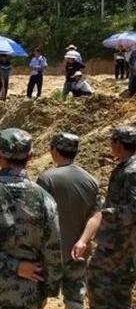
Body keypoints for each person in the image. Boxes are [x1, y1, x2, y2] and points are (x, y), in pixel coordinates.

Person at [0, 128, 63, 308]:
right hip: (24, 295)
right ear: (30, 156)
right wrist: (48, 289)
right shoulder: (45, 199)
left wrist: (12, 265)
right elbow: (53, 251)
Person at [71, 126, 136, 308]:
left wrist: (105, 215)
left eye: (112, 141)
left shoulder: (131, 171)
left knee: (103, 290)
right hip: (120, 244)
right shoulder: (126, 167)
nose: (110, 145)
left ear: (119, 144)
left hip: (118, 246)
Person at [36, 132, 100, 309]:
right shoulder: (91, 180)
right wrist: (83, 241)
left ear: (54, 150)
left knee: (38, 294)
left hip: (49, 252)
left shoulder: (47, 178)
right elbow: (96, 215)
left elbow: (37, 216)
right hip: (78, 251)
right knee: (75, 298)